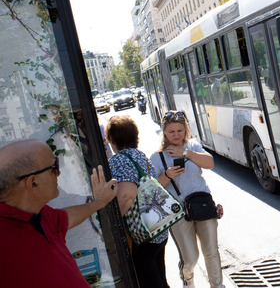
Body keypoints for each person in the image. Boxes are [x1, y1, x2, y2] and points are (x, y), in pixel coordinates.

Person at [0, 139, 118, 287]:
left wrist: (99, 202)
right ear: (33, 183)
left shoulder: (39, 215)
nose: (59, 173)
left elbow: (67, 217)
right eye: (54, 167)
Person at [149, 111, 224, 288]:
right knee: (190, 257)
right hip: (178, 213)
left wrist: (185, 152)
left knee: (211, 251)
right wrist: (167, 175)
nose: (176, 135)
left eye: (180, 131)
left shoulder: (192, 146)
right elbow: (152, 187)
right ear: (164, 132)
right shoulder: (157, 157)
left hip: (202, 205)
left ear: (186, 130)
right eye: (171, 132)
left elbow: (210, 163)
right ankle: (188, 281)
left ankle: (217, 285)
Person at [106, 116, 170, 288]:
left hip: (142, 233)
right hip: (158, 227)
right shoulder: (141, 156)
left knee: (149, 281)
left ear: (112, 140)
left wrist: (110, 225)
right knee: (159, 278)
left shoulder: (119, 160)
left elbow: (127, 195)